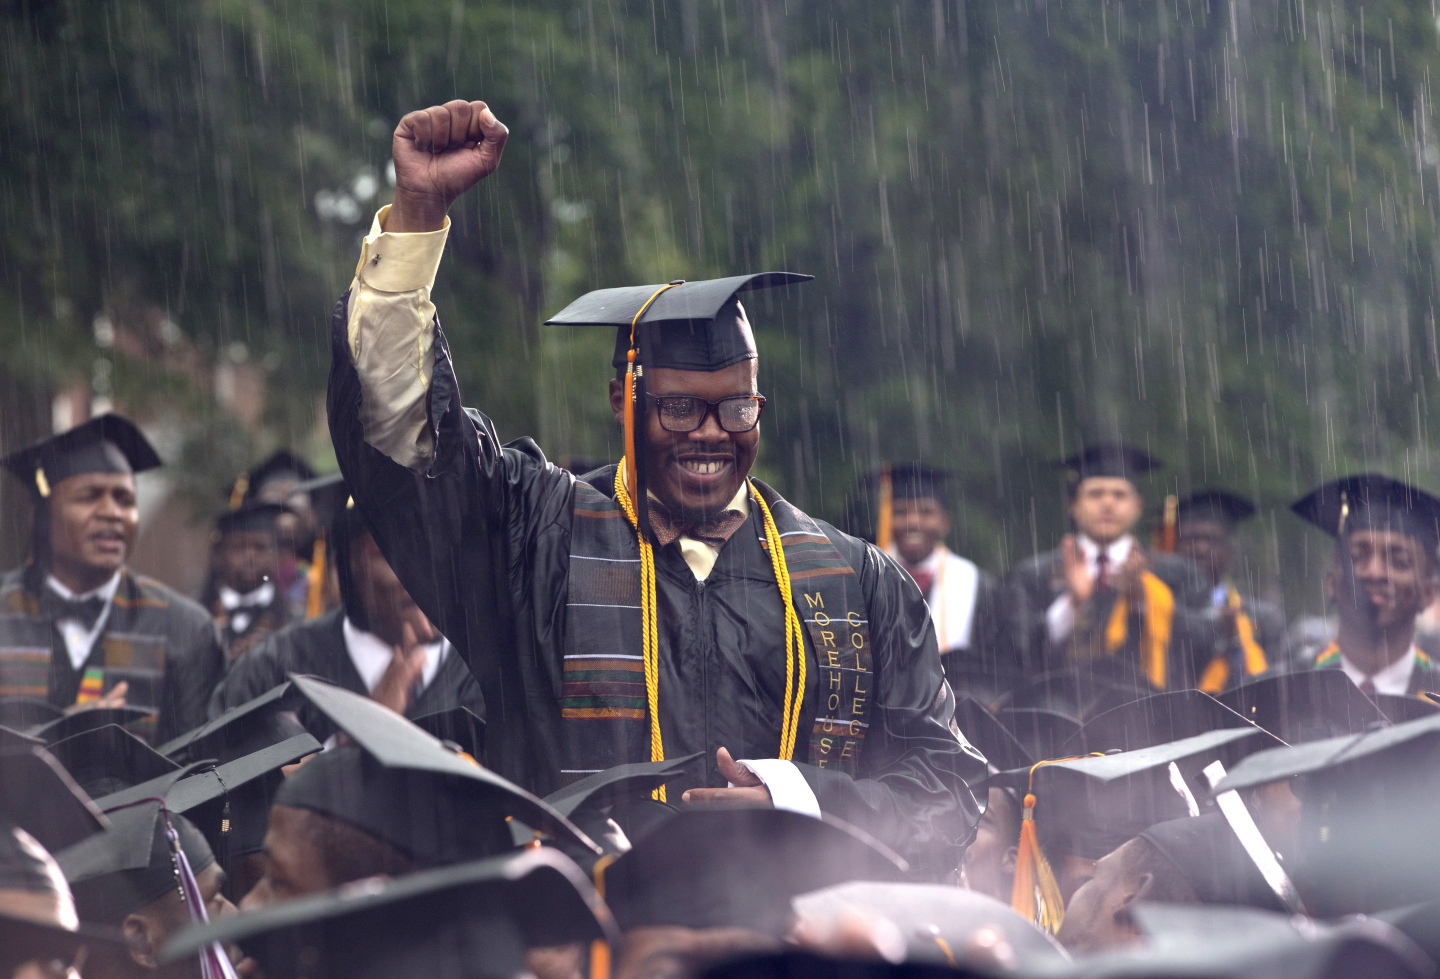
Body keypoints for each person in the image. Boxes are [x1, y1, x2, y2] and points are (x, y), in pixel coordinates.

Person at [324, 98, 983, 874]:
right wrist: (417, 215)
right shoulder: (535, 539)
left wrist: (798, 799)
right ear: (621, 401)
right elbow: (405, 435)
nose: (712, 433)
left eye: (736, 407)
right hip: (592, 937)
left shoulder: (855, 580)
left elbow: (949, 787)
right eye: (679, 407)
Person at [0, 415, 225, 744]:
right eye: (89, 496)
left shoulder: (185, 629)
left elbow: (200, 766)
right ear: (40, 516)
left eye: (125, 499)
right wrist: (55, 736)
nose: (112, 512)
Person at [210, 475, 484, 737]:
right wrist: (360, 738)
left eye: (436, 548)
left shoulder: (490, 669)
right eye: (395, 554)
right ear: (350, 571)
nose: (426, 571)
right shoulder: (273, 669)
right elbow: (222, 773)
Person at [1007, 444, 1210, 692]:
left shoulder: (1175, 573)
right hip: (1062, 710)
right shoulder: (1035, 574)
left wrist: (1144, 599)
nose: (1107, 503)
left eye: (1119, 494)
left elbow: (1203, 645)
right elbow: (1017, 652)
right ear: (1073, 505)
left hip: (1150, 708)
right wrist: (1074, 603)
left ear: (1137, 506)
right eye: (1095, 493)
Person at [847, 465, 1011, 698]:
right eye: (901, 512)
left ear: (945, 522)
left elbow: (993, 668)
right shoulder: (865, 575)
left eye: (926, 512)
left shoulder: (977, 586)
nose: (913, 522)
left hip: (954, 709)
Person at [1290, 474, 1440, 698]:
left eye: (1399, 562)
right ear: (1332, 582)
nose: (1375, 572)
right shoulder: (1281, 694)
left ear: (1429, 593)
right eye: (1357, 557)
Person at [1172, 490, 1288, 691]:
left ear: (1229, 549)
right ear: (1175, 547)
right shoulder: (1156, 612)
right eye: (1190, 539)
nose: (1200, 548)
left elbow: (1276, 683)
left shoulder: (1261, 617)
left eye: (1211, 539)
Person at [206, 501, 293, 661]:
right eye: (238, 547)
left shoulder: (295, 614)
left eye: (260, 547)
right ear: (218, 554)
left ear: (274, 553)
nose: (250, 557)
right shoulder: (198, 614)